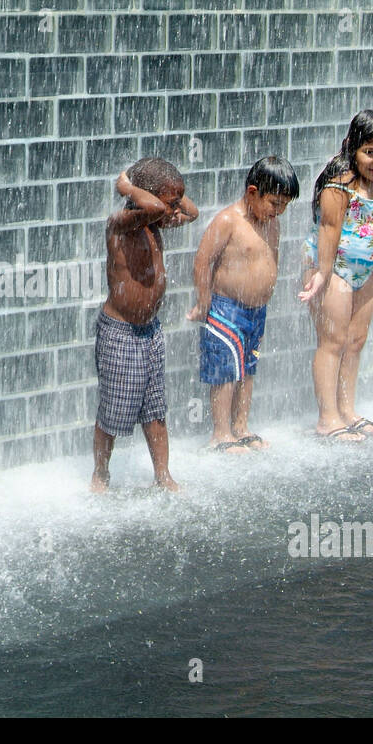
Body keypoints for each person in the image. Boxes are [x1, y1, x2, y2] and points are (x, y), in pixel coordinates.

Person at [90, 157, 198, 492]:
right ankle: (100, 473)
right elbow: (151, 205)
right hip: (120, 331)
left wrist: (174, 198)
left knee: (155, 409)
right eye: (171, 202)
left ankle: (162, 475)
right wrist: (128, 188)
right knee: (113, 410)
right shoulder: (122, 222)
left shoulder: (155, 222)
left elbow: (193, 213)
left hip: (149, 331)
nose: (175, 208)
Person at [298, 110, 373, 442]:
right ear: (352, 147)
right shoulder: (340, 180)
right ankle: (327, 418)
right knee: (333, 342)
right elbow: (329, 228)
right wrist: (323, 273)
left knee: (355, 342)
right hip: (334, 268)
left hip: (364, 272)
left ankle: (347, 410)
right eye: (369, 153)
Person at [187, 155, 298, 452]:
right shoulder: (228, 220)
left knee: (248, 369)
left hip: (256, 311)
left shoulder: (272, 224)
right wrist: (203, 301)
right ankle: (220, 433)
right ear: (252, 192)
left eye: (285, 206)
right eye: (274, 204)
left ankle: (241, 426)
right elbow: (203, 260)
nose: (279, 211)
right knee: (226, 371)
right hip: (226, 309)